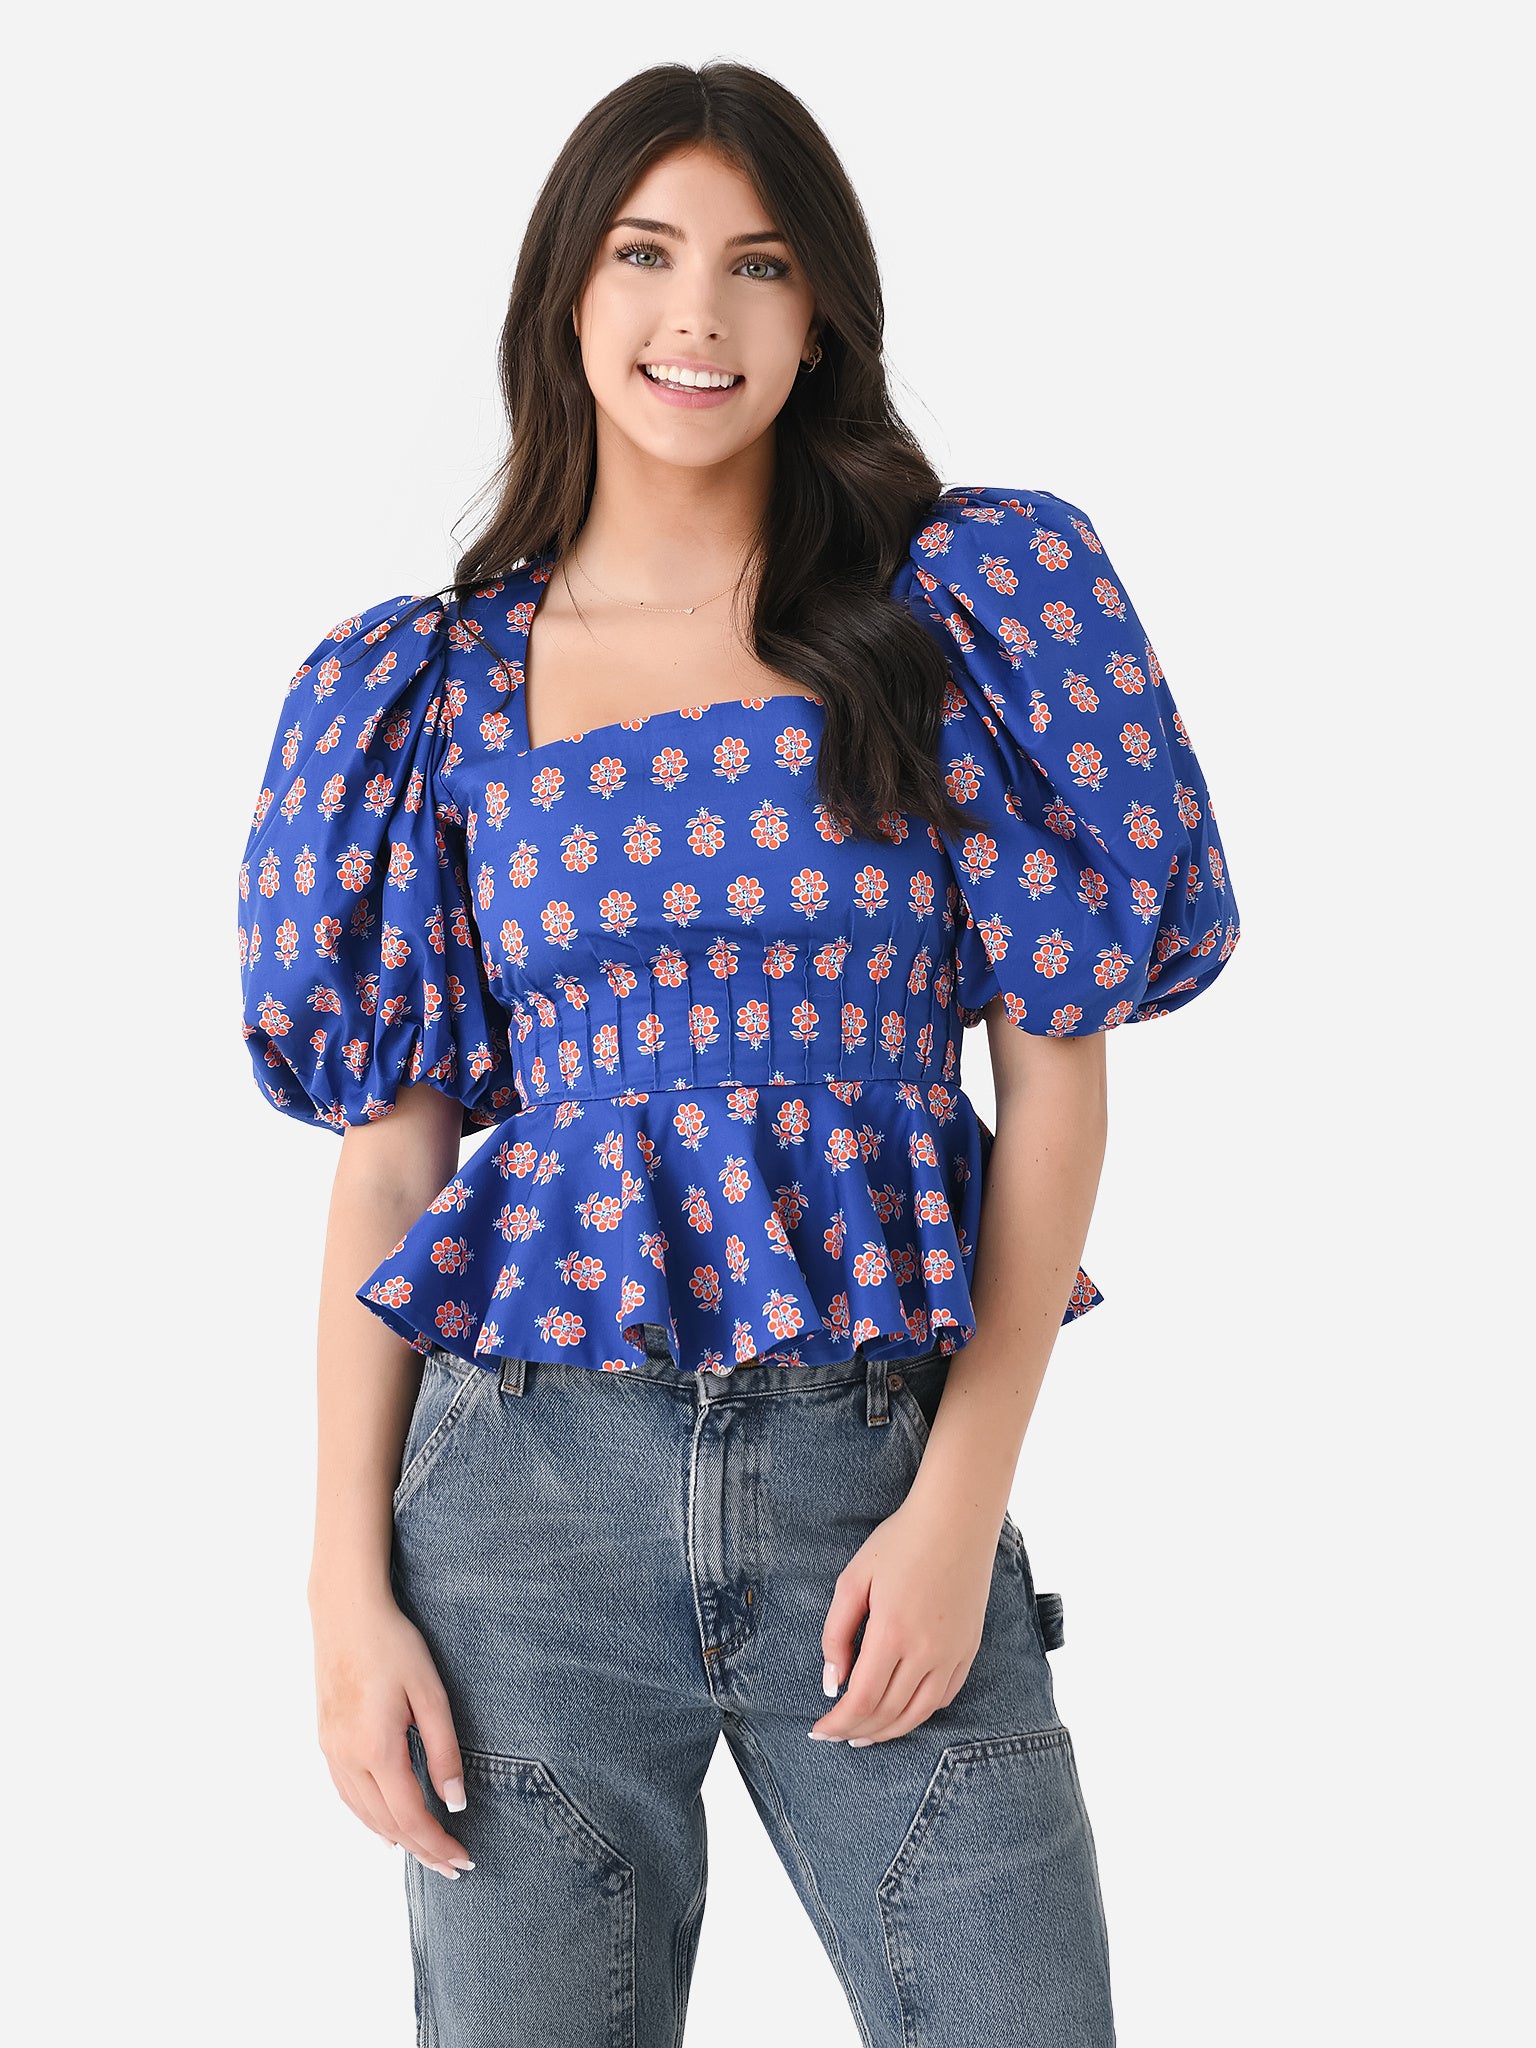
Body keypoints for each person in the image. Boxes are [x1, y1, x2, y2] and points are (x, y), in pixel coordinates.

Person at [235, 59, 1240, 2048]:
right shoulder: (432, 690)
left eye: (759, 264)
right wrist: (344, 1592)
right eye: (647, 255)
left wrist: (957, 1504)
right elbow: (391, 1159)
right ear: (568, 296)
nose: (698, 314)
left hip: (878, 1473)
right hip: (520, 1508)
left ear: (819, 314)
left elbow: (1055, 1082)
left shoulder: (959, 619)